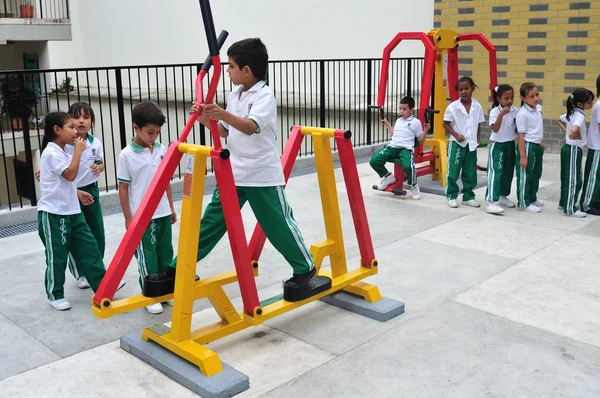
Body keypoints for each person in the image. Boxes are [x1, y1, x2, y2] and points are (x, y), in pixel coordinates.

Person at [164, 38, 316, 298]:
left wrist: (221, 113)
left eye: (231, 66)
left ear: (247, 70)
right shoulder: (235, 95)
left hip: (260, 175)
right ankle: (180, 268)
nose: (227, 71)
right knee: (209, 224)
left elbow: (250, 126)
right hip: (233, 173)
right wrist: (204, 117)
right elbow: (227, 132)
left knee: (277, 225)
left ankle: (305, 268)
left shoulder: (265, 96)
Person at [37, 112, 123, 311]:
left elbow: (65, 182)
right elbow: (69, 174)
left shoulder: (63, 151)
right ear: (57, 130)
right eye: (71, 127)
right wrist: (77, 152)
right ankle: (55, 293)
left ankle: (103, 285)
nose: (76, 130)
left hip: (73, 211)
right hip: (54, 214)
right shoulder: (52, 152)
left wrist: (79, 193)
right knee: (57, 256)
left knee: (89, 247)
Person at [117, 101, 177, 314]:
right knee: (147, 255)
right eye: (150, 132)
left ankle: (164, 291)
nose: (154, 137)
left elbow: (165, 181)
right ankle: (150, 294)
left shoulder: (161, 151)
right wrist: (128, 217)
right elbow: (123, 188)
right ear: (136, 127)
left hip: (162, 212)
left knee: (165, 253)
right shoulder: (126, 155)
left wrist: (170, 207)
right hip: (141, 216)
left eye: (157, 132)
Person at [64, 102, 106, 289]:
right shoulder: (66, 144)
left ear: (91, 121)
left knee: (96, 230)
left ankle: (96, 266)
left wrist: (100, 167)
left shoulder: (94, 143)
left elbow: (101, 162)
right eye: (77, 117)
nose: (81, 121)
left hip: (91, 190)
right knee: (76, 233)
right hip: (72, 192)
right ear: (69, 120)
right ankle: (80, 272)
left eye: (86, 117)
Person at [369, 96, 431, 199]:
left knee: (408, 166)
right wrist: (388, 125)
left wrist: (425, 131)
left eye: (404, 109)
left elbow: (420, 140)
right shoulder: (398, 121)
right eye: (400, 108)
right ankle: (388, 177)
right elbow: (395, 135)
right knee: (374, 160)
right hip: (392, 147)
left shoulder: (416, 122)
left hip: (405, 149)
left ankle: (414, 185)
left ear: (412, 109)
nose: (401, 111)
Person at [443, 76, 485, 208]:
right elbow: (445, 124)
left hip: (471, 144)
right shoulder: (453, 107)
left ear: (472, 89)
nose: (464, 92)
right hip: (456, 144)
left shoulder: (477, 106)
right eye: (461, 90)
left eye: (466, 88)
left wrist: (478, 138)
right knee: (453, 170)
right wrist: (456, 135)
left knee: (470, 171)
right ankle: (451, 195)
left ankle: (468, 196)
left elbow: (478, 124)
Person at [560, 88, 594, 217]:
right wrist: (576, 134)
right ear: (580, 104)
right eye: (589, 102)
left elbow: (559, 120)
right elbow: (574, 129)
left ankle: (564, 202)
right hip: (574, 149)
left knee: (566, 177)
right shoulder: (579, 116)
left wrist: (568, 133)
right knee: (575, 180)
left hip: (567, 148)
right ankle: (570, 208)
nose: (591, 104)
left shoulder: (571, 112)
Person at [485, 84, 518, 215]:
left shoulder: (516, 111)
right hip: (497, 145)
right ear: (499, 99)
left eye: (511, 98)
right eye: (506, 98)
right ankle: (491, 202)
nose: (509, 101)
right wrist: (502, 115)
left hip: (510, 144)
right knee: (495, 172)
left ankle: (503, 196)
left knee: (508, 172)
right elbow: (495, 128)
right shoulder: (494, 112)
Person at [515, 82, 545, 212]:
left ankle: (532, 197)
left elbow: (538, 127)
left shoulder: (538, 108)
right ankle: (523, 202)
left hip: (537, 145)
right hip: (527, 146)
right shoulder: (522, 114)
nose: (536, 98)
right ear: (523, 98)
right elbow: (521, 136)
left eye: (537, 95)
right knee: (525, 175)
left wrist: (541, 140)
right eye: (531, 96)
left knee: (536, 174)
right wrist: (523, 156)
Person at [581, 75, 600, 216]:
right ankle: (587, 204)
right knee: (593, 176)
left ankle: (596, 201)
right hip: (597, 147)